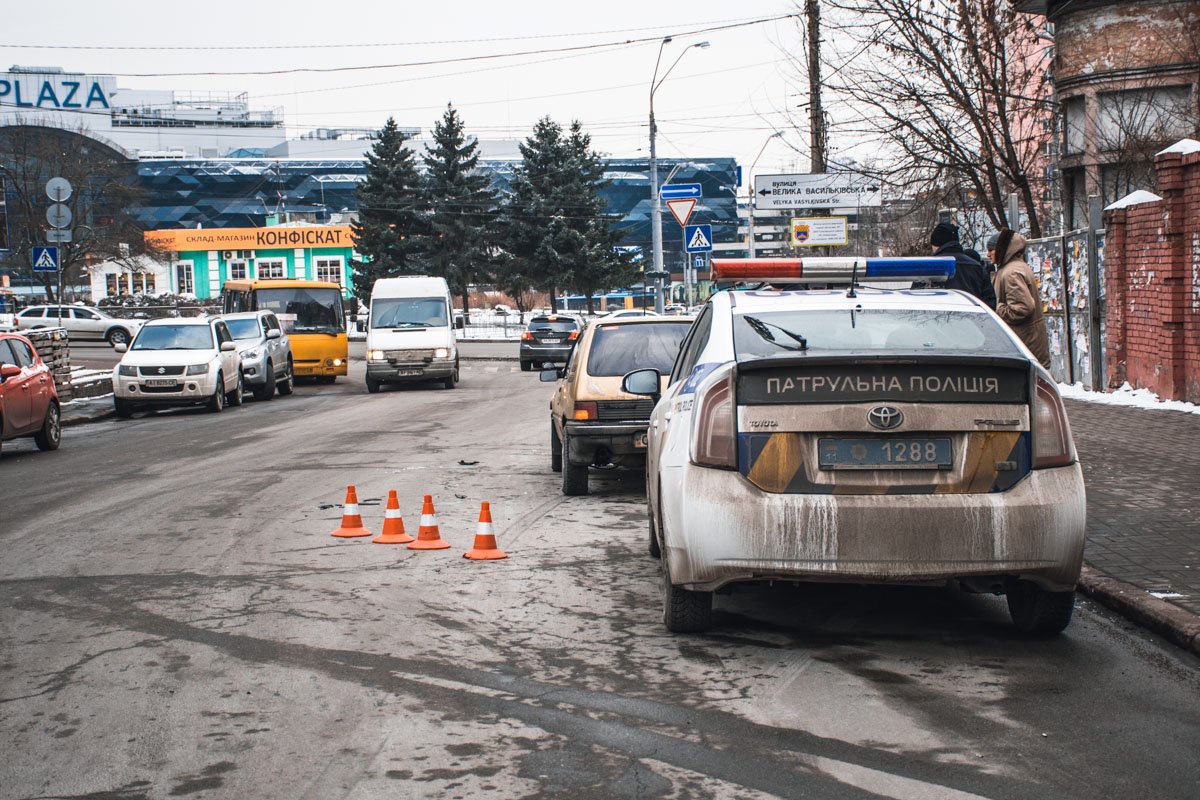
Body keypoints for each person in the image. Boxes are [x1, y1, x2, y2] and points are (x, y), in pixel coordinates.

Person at [992, 228, 1051, 369]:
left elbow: (1022, 309)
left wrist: (996, 308)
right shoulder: (1016, 268)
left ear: (1001, 249)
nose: (988, 254)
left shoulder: (1011, 273)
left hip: (1023, 343)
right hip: (1028, 343)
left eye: (991, 249)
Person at [925, 222, 997, 309]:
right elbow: (989, 304)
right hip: (972, 320)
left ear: (936, 245)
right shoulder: (977, 267)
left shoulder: (928, 267)